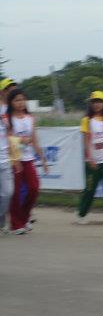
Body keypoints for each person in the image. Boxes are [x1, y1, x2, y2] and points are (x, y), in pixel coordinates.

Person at [7, 88, 47, 234]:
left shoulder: (30, 118)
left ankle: (23, 218)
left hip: (28, 159)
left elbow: (35, 140)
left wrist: (43, 159)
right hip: (14, 160)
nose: (20, 103)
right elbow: (9, 140)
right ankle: (16, 225)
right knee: (16, 192)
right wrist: (21, 142)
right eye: (17, 100)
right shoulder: (8, 118)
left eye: (22, 99)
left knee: (34, 188)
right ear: (11, 102)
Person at [76, 91, 103, 226]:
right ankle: (82, 213)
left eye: (99, 102)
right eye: (94, 102)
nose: (96, 104)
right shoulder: (87, 120)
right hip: (93, 161)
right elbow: (86, 141)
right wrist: (89, 159)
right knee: (90, 190)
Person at [0, 113, 20, 232]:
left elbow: (11, 138)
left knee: (8, 193)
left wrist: (16, 158)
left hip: (5, 162)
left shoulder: (5, 118)